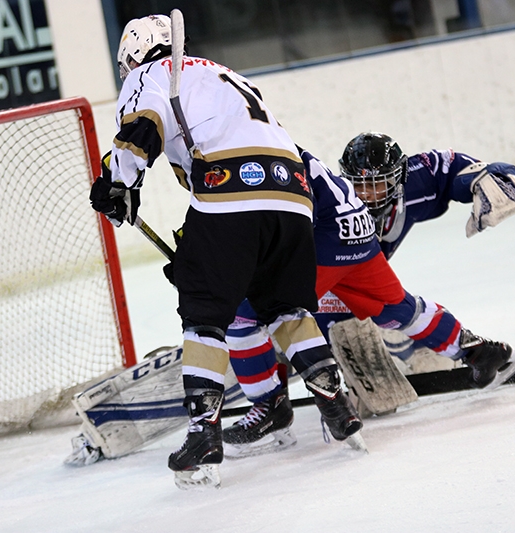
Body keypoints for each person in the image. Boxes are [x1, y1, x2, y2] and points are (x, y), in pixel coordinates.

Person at [89, 14, 362, 488]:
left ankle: (203, 431)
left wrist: (117, 184)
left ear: (134, 52)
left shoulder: (149, 75)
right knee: (284, 306)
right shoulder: (222, 71)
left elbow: (143, 127)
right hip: (293, 195)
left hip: (232, 190)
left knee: (204, 312)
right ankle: (336, 404)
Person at [222, 132, 515, 456]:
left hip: (354, 276)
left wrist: (505, 176)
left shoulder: (417, 178)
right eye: (359, 185)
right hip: (323, 275)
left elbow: (463, 168)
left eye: (379, 184)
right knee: (300, 315)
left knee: (388, 309)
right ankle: (297, 386)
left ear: (399, 179)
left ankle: (281, 401)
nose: (369, 194)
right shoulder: (321, 198)